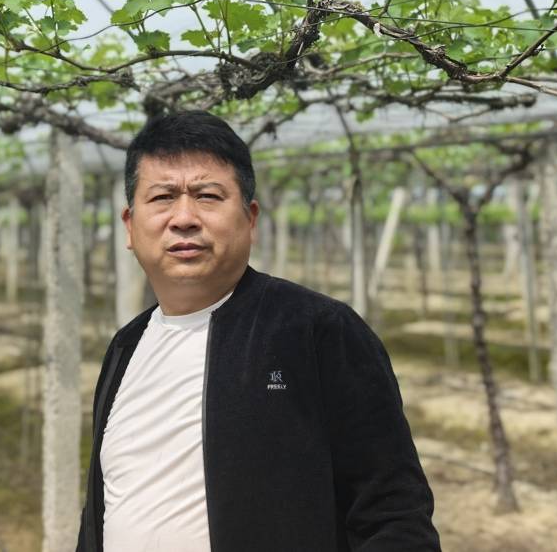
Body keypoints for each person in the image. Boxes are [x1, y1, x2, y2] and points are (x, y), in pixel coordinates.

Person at [76, 111, 440, 551]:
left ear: (250, 219)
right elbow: (101, 509)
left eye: (208, 196)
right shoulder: (126, 346)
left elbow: (394, 516)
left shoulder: (316, 331)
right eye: (162, 197)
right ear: (130, 226)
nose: (184, 217)